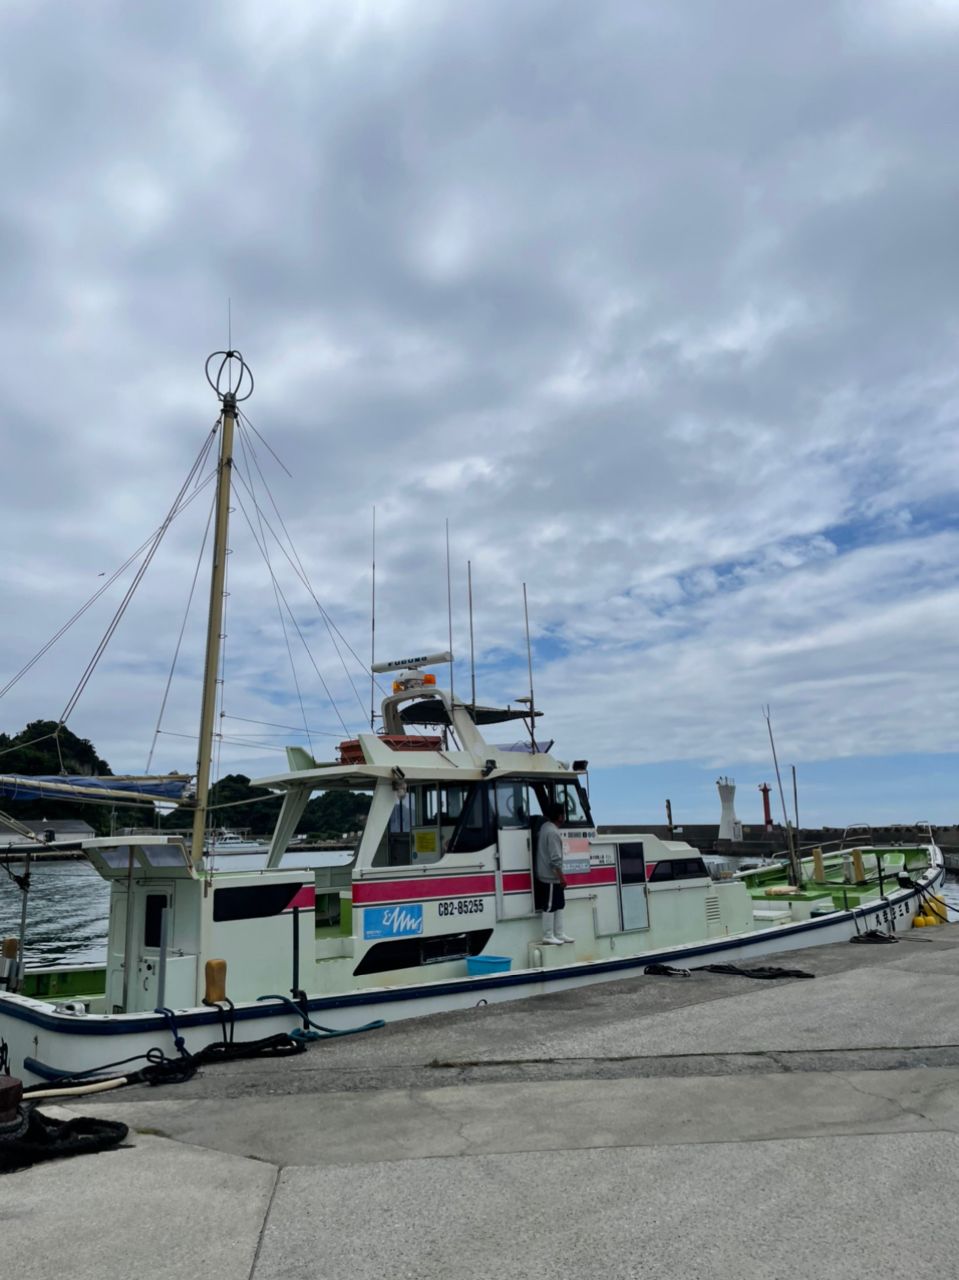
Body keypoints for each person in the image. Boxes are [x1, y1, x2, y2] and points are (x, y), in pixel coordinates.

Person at [534, 801, 574, 944]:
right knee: (550, 905)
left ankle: (559, 933)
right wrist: (562, 878)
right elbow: (555, 859)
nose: (564, 817)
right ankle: (548, 935)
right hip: (550, 877)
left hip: (549, 875)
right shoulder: (553, 832)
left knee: (559, 904)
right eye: (563, 813)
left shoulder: (545, 827)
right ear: (559, 816)